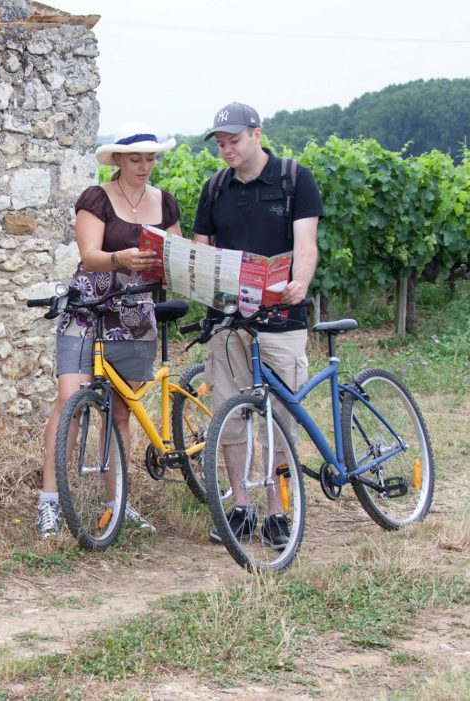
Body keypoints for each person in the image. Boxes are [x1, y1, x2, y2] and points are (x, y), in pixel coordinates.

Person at [37, 121, 183, 538]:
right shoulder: (97, 198)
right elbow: (90, 255)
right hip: (89, 309)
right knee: (69, 400)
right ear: (118, 159)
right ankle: (49, 503)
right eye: (136, 159)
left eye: (150, 158)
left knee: (121, 412)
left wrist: (173, 269)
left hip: (135, 316)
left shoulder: (166, 203)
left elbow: (175, 255)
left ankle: (117, 503)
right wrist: (120, 259)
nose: (144, 166)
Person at [193, 102, 323, 549]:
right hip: (230, 323)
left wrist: (299, 283)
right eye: (220, 143)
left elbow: (306, 243)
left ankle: (277, 512)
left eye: (233, 140)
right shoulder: (214, 188)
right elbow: (203, 251)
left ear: (256, 134)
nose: (226, 149)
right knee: (230, 415)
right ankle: (242, 508)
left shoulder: (293, 179)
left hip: (282, 320)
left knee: (281, 418)